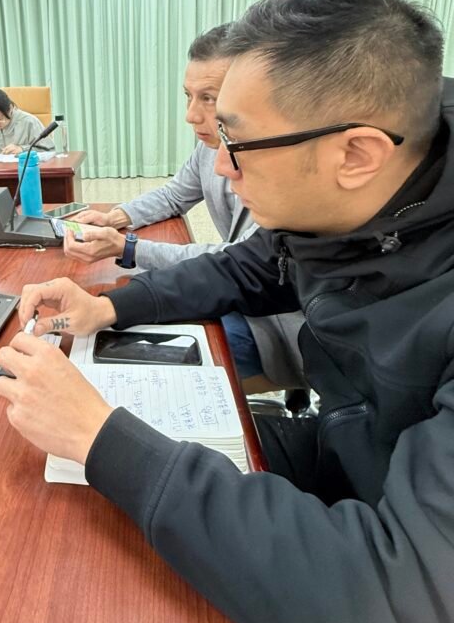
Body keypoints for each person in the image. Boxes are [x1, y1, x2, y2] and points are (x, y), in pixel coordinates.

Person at [0, 0, 454, 623]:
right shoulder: (378, 189)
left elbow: (409, 621)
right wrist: (105, 307)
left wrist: (101, 437)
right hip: (347, 445)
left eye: (237, 141)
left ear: (356, 153)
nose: (218, 164)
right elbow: (254, 265)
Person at [64, 24, 303, 392]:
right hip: (234, 289)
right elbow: (176, 194)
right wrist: (116, 217)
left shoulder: (285, 172)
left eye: (209, 98)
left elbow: (238, 263)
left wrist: (128, 248)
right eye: (188, 96)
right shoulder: (211, 149)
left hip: (275, 324)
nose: (191, 115)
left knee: (142, 357)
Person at [0, 89, 55, 158]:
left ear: (10, 109)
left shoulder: (29, 122)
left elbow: (49, 151)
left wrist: (22, 149)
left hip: (22, 171)